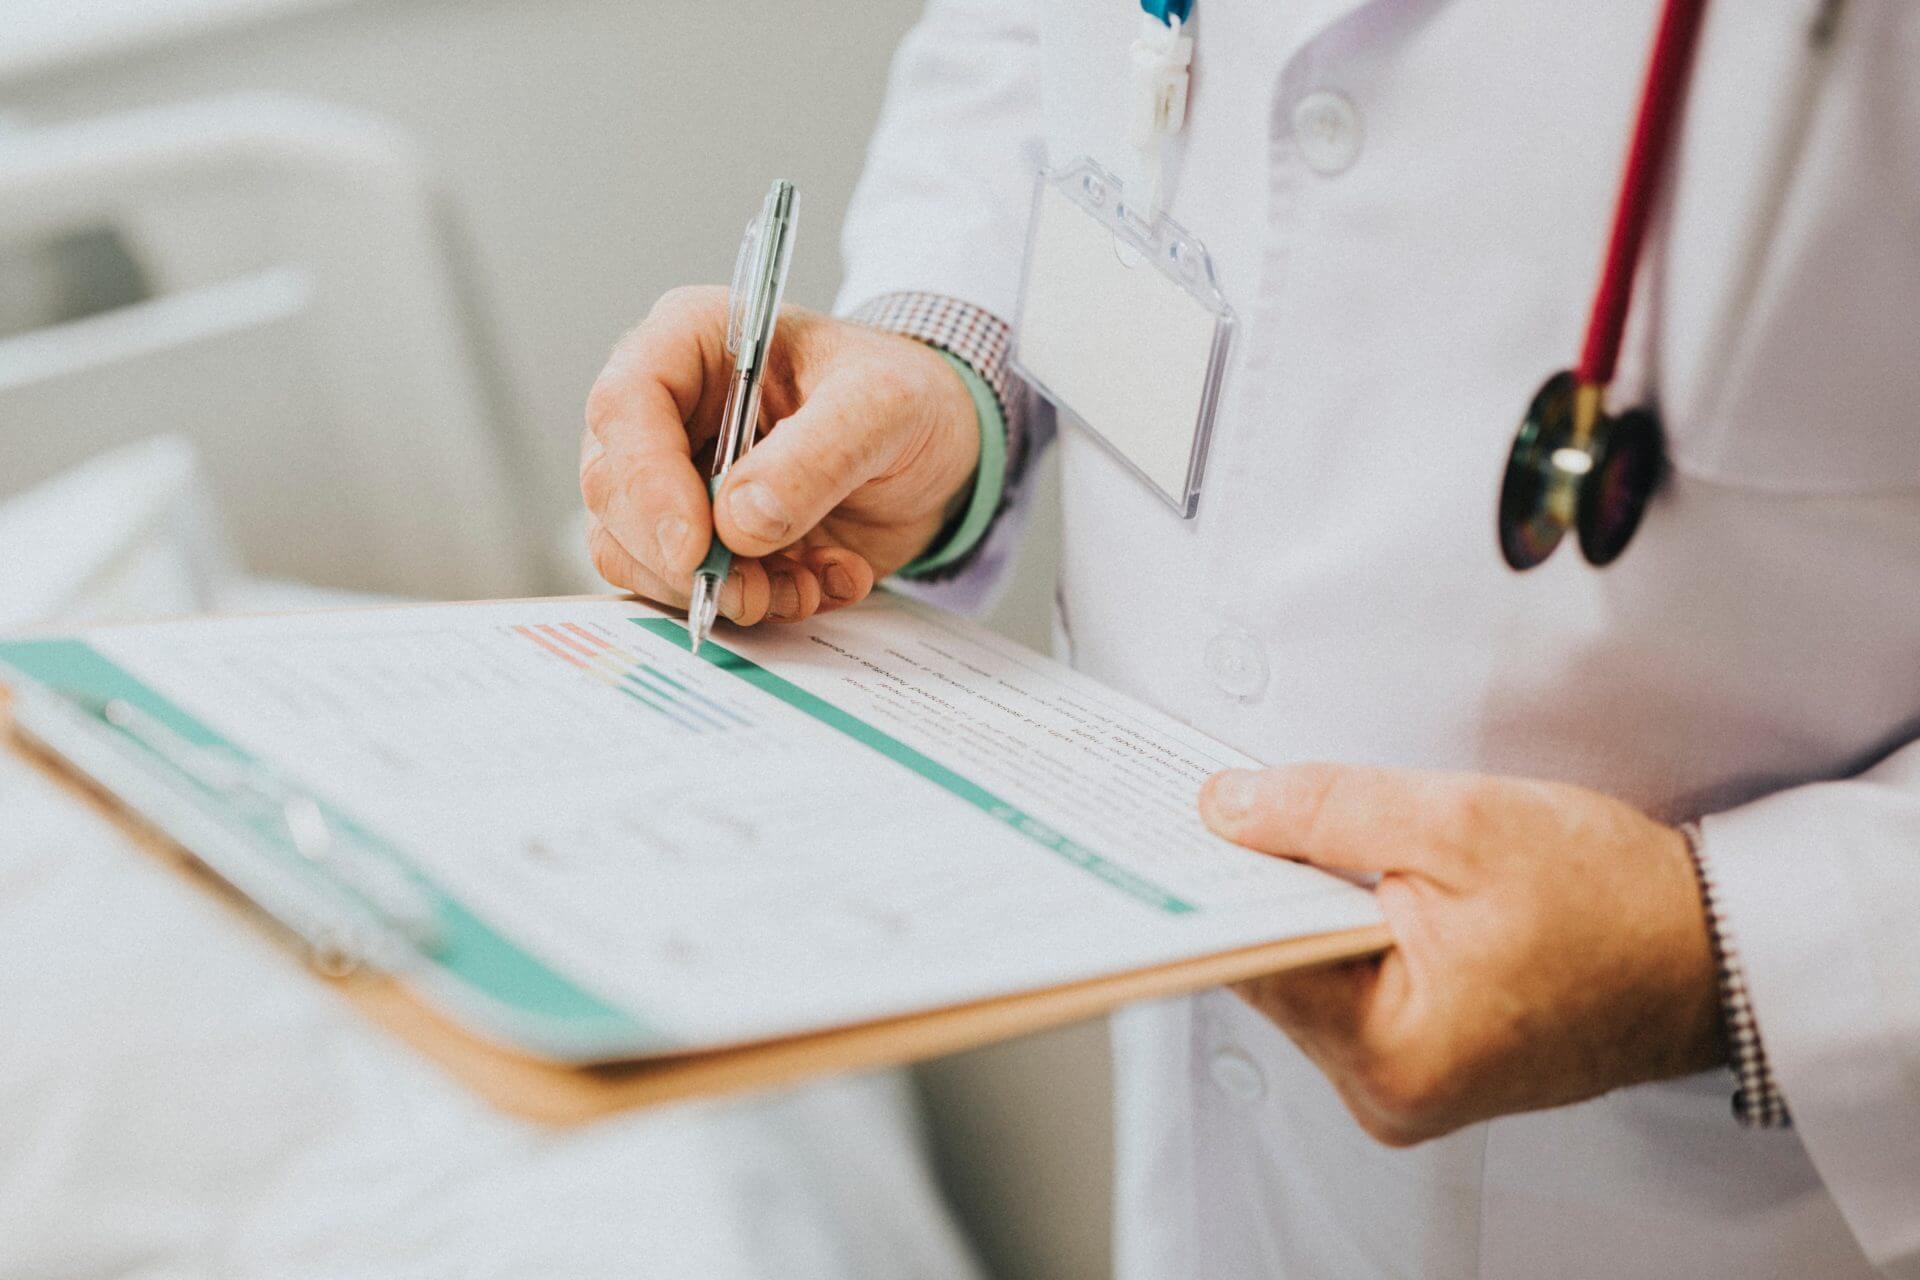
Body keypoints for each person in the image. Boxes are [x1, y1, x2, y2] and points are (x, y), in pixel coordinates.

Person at [578, 2, 1920, 1275]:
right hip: (1197, 1077)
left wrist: (1729, 954)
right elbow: (1033, 43)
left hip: (1746, 1190)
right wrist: (951, 363)